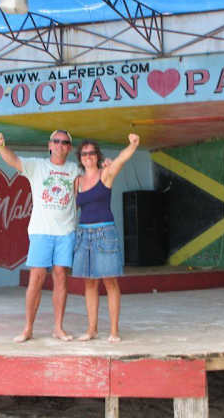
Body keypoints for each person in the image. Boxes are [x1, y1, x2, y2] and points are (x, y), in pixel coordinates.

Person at [0, 130, 79, 343]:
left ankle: (58, 328)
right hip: (41, 231)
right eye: (56, 141)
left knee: (61, 278)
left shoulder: (75, 169)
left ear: (69, 148)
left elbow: (91, 181)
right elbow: (14, 160)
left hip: (66, 232)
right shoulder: (37, 166)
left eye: (64, 142)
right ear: (49, 145)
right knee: (36, 278)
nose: (60, 145)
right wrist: (1, 146)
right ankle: (28, 328)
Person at [72, 133, 140, 342]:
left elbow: (121, 159)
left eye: (92, 153)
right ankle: (91, 330)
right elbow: (73, 208)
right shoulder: (77, 181)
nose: (88, 156)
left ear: (98, 156)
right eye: (84, 154)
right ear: (80, 158)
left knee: (110, 282)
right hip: (84, 234)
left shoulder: (106, 174)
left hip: (104, 233)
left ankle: (114, 331)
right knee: (89, 284)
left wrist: (133, 144)